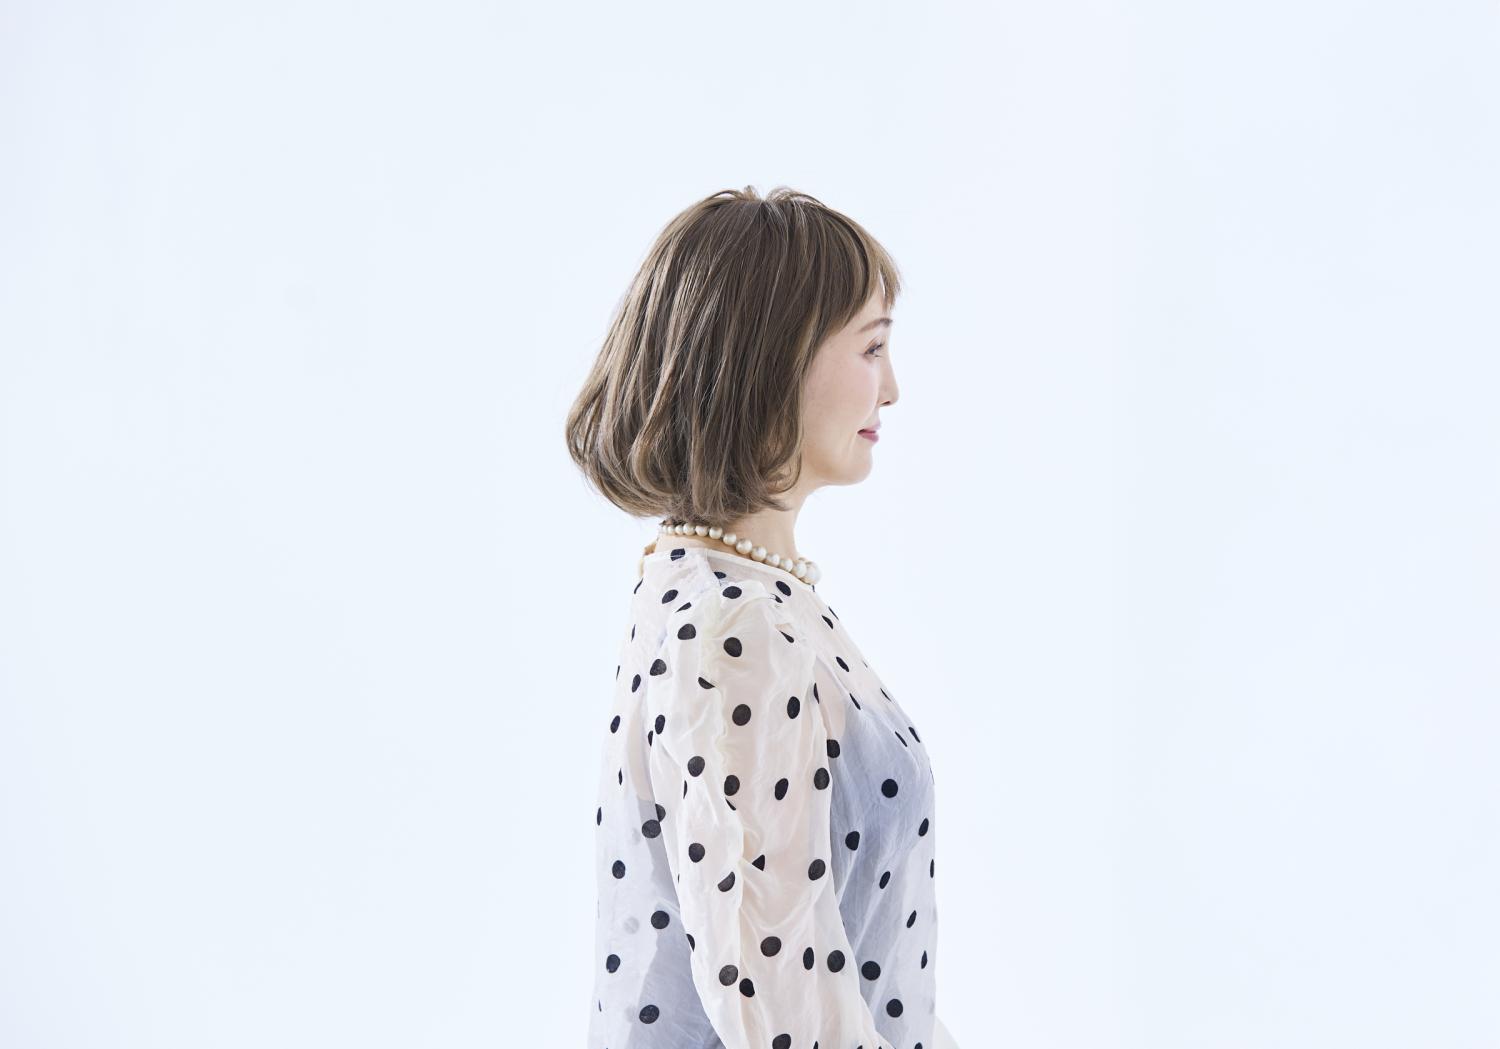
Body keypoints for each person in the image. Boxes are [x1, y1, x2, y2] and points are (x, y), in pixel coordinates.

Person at [566, 186, 956, 1049]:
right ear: (777, 360)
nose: (892, 388)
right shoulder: (730, 628)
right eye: (872, 347)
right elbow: (782, 1010)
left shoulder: (744, 596)